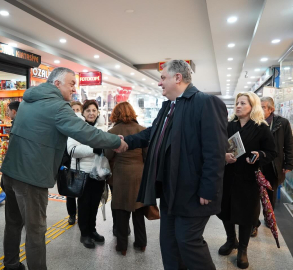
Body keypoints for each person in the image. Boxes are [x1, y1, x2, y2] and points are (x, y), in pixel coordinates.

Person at [0, 68, 127, 270]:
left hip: (11, 172)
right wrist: (114, 141)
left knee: (14, 222)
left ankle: (11, 263)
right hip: (32, 177)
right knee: (36, 230)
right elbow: (85, 133)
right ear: (57, 84)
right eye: (71, 83)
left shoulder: (28, 101)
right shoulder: (57, 107)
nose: (74, 87)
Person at [119, 60, 228, 270]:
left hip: (194, 191)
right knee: (169, 243)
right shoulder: (169, 106)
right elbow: (153, 133)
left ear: (178, 78)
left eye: (163, 78)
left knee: (188, 242)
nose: (160, 83)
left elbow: (215, 151)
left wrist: (208, 188)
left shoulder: (206, 103)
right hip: (170, 189)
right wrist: (126, 141)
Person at [218, 92, 277, 269]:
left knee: (246, 215)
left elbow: (272, 152)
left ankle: (243, 249)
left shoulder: (261, 127)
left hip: (248, 179)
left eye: (243, 103)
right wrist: (224, 156)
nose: (238, 106)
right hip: (228, 177)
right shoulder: (228, 126)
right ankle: (231, 241)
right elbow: (219, 147)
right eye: (237, 103)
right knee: (225, 211)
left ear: (253, 106)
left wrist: (260, 155)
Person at [105, 102, 147, 256]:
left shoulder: (112, 131)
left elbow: (108, 155)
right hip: (139, 174)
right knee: (138, 210)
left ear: (115, 114)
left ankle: (122, 246)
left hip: (120, 175)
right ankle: (141, 243)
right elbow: (147, 156)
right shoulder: (142, 130)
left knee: (121, 211)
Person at [250, 97, 293, 237]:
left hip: (274, 165)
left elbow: (288, 145)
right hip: (257, 163)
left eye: (263, 107)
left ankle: (268, 219)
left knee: (270, 195)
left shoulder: (282, 123)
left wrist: (289, 163)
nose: (260, 109)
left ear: (271, 109)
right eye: (259, 106)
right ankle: (253, 224)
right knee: (254, 196)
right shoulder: (254, 122)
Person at [67, 100, 108, 249]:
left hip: (98, 174)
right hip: (82, 174)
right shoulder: (76, 128)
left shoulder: (102, 129)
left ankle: (92, 230)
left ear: (98, 113)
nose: (91, 113)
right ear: (83, 113)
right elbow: (71, 150)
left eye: (94, 110)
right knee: (84, 205)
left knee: (95, 204)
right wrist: (93, 149)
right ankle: (84, 234)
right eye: (88, 110)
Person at [67, 100, 84, 225]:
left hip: (81, 163)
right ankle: (72, 214)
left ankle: (80, 212)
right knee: (70, 192)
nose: (75, 112)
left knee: (81, 189)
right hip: (67, 163)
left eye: (77, 110)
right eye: (73, 110)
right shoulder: (64, 125)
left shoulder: (83, 125)